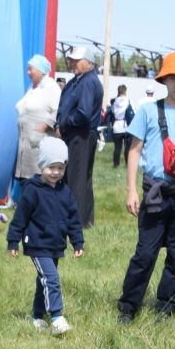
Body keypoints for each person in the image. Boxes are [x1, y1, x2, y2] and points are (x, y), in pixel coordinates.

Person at [117, 51, 175, 322]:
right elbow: (134, 151)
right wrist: (132, 189)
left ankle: (166, 308)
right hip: (155, 192)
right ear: (164, 80)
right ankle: (128, 307)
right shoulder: (149, 111)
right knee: (145, 254)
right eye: (173, 79)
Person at [8, 137, 85, 335]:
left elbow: (73, 219)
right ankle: (57, 317)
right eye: (51, 167)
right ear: (42, 165)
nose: (56, 172)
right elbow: (20, 218)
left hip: (56, 245)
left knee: (43, 279)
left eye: (60, 168)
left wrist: (77, 241)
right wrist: (13, 241)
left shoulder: (65, 192)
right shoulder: (32, 191)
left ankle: (37, 316)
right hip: (37, 244)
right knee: (51, 278)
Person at [56, 44, 103, 228]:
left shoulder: (87, 83)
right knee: (81, 178)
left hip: (80, 136)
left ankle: (76, 221)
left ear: (89, 63)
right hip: (78, 135)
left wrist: (64, 124)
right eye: (71, 60)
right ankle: (84, 220)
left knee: (76, 179)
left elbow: (83, 113)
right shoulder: (79, 80)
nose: (72, 64)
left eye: (77, 61)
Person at [13, 54, 61, 205]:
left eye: (31, 69)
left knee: (39, 178)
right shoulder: (32, 88)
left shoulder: (51, 86)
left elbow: (59, 110)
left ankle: (41, 209)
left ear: (41, 70)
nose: (28, 72)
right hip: (25, 144)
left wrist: (46, 124)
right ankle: (28, 209)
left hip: (39, 142)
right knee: (26, 179)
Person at [109, 83, 133, 167]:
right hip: (125, 126)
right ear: (125, 91)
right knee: (127, 147)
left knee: (117, 147)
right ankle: (127, 164)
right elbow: (130, 115)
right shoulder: (128, 100)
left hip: (116, 125)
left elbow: (110, 113)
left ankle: (116, 164)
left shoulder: (114, 101)